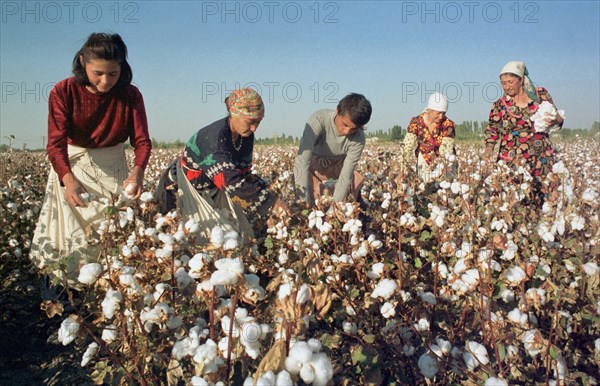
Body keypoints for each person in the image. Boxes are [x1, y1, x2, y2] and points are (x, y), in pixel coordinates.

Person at [30, 33, 152, 288]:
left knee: (112, 235)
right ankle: (64, 303)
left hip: (113, 169)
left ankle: (107, 300)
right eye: (98, 73)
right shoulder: (64, 91)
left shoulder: (130, 95)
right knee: (68, 239)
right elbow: (55, 144)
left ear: (122, 70)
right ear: (83, 62)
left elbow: (142, 141)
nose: (105, 81)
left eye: (113, 74)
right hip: (72, 169)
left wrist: (138, 171)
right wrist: (67, 180)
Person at [156, 88, 280, 243]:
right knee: (187, 242)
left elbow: (243, 174)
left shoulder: (246, 136)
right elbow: (233, 184)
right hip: (178, 192)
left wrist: (267, 194)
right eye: (251, 122)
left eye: (259, 122)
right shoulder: (213, 138)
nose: (255, 128)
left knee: (233, 240)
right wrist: (270, 203)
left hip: (212, 190)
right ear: (234, 114)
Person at [483, 61, 564, 203]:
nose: (507, 87)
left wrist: (555, 118)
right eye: (503, 83)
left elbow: (558, 119)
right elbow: (492, 130)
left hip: (541, 159)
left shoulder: (540, 95)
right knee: (513, 200)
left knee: (546, 198)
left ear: (521, 80)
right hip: (512, 160)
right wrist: (489, 149)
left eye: (510, 82)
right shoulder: (499, 105)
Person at [293, 93, 372, 207]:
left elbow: (345, 176)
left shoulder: (358, 138)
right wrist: (302, 199)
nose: (346, 132)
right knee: (309, 204)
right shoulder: (319, 119)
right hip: (314, 170)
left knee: (348, 205)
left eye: (353, 129)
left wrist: (335, 208)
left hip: (338, 173)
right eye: (345, 124)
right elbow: (302, 161)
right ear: (337, 111)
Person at [402, 92, 457, 182]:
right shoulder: (416, 122)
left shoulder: (448, 125)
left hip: (444, 161)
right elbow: (407, 146)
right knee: (425, 186)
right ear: (430, 109)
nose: (441, 116)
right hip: (424, 158)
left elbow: (446, 150)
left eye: (444, 113)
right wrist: (403, 168)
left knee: (445, 185)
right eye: (438, 113)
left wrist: (441, 168)